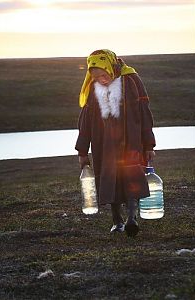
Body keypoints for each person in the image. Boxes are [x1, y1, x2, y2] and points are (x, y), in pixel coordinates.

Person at [75, 49, 156, 237]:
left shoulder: (132, 81)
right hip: (104, 146)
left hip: (131, 143)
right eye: (96, 78)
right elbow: (85, 122)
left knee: (132, 178)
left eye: (104, 75)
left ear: (111, 67)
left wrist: (149, 145)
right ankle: (117, 221)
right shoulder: (93, 90)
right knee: (108, 179)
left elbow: (144, 114)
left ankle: (131, 218)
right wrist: (82, 151)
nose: (101, 80)